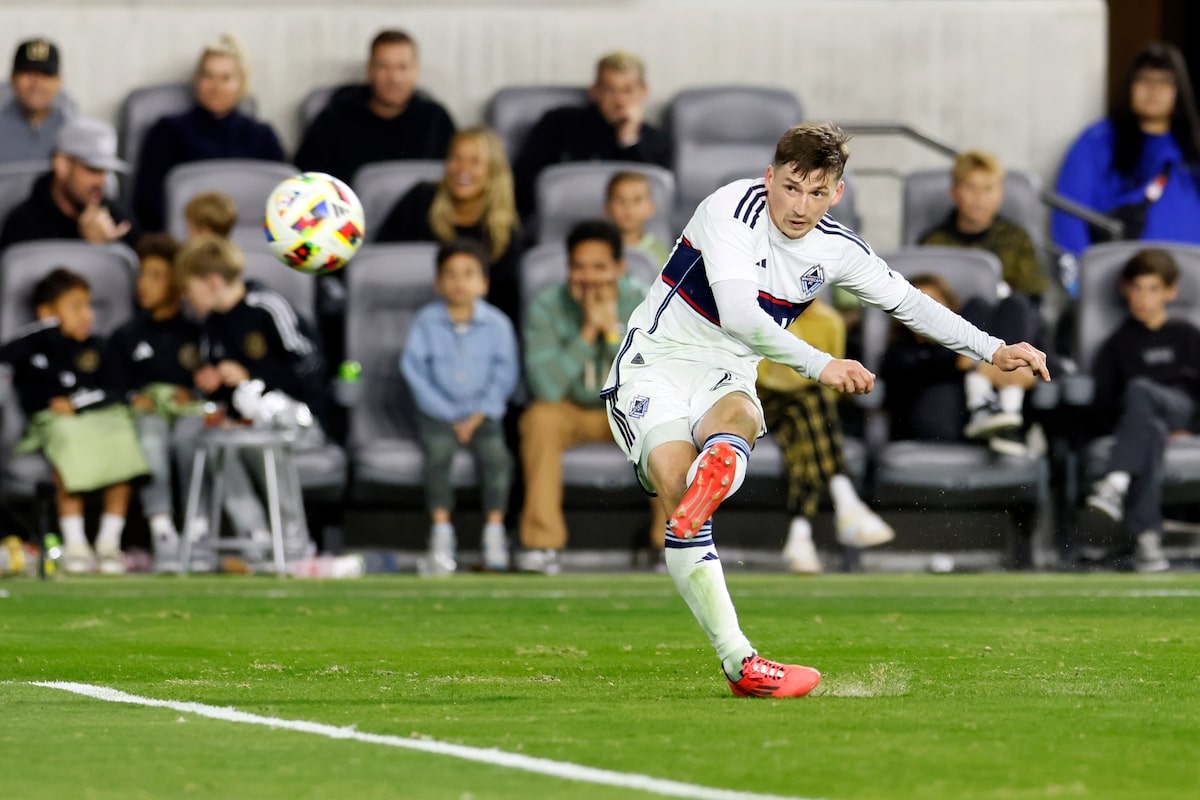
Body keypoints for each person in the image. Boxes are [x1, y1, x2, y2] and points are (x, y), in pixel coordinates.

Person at [601, 123, 1049, 697]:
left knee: (733, 421)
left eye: (817, 193)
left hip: (727, 372)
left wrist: (995, 348)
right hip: (655, 361)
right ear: (770, 178)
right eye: (790, 187)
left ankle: (719, 490)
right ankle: (739, 657)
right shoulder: (730, 210)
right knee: (677, 486)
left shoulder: (837, 248)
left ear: (836, 193)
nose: (800, 205)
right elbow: (740, 315)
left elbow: (911, 303)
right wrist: (822, 363)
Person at [519, 219, 663, 574]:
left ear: (619, 268)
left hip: (629, 411)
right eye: (579, 266)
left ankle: (672, 544)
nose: (589, 276)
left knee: (666, 419)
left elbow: (651, 380)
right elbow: (546, 389)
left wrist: (612, 333)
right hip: (574, 411)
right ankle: (542, 546)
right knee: (539, 419)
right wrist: (586, 333)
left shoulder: (644, 301)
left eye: (599, 267)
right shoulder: (547, 306)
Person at [179, 236, 328, 566]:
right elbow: (230, 394)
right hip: (249, 422)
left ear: (213, 282)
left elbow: (310, 365)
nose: (187, 298)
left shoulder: (266, 306)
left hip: (298, 418)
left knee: (265, 439)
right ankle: (255, 538)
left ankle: (293, 542)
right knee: (216, 438)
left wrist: (252, 374)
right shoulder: (211, 327)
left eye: (190, 288)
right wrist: (215, 382)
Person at [0, 269, 150, 574]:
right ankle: (76, 544)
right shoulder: (33, 345)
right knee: (67, 441)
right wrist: (47, 329)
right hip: (53, 425)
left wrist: (78, 403)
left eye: (89, 305)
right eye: (75, 306)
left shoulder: (98, 346)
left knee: (122, 436)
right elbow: (7, 354)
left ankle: (109, 543)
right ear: (46, 314)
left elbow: (116, 389)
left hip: (99, 419)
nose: (87, 314)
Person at [400, 241, 519, 575]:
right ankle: (441, 532)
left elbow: (505, 374)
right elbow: (414, 372)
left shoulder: (498, 325)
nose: (459, 282)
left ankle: (494, 530)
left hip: (483, 414)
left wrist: (479, 413)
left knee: (497, 457)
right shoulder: (425, 322)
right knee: (438, 455)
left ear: (484, 283)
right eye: (449, 275)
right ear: (438, 283)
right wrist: (449, 414)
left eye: (469, 274)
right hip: (438, 415)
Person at [756, 297, 894, 574]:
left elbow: (834, 383)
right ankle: (844, 501)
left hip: (804, 408)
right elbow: (764, 377)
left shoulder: (829, 321)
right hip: (758, 401)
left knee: (805, 417)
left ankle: (800, 534)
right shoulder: (761, 313)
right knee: (809, 403)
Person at [1083, 248, 1200, 573]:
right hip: (1140, 423)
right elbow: (1103, 403)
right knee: (1150, 429)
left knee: (1141, 389)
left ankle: (1116, 482)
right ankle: (1148, 543)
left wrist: (1192, 428)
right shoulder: (1116, 344)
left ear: (1170, 292)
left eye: (1153, 289)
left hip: (1183, 410)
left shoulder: (1188, 336)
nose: (1143, 298)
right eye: (1137, 288)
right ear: (1125, 289)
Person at [107, 234, 206, 572]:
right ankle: (162, 531)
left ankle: (198, 532)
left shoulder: (198, 333)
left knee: (190, 439)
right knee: (151, 439)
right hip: (147, 417)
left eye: (156, 275)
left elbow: (208, 380)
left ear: (178, 284)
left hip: (188, 415)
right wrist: (136, 398)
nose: (144, 285)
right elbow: (113, 386)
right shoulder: (126, 335)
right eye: (142, 275)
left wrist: (193, 394)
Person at [1053, 42, 1200, 265]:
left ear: (1179, 90)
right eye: (1144, 80)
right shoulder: (1096, 142)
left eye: (1164, 82)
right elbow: (1069, 216)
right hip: (1121, 285)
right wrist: (1082, 281)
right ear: (1129, 86)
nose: (1153, 90)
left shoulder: (1193, 146)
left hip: (1190, 283)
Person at [133, 34, 284, 233]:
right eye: (208, 76)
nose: (216, 87)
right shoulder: (167, 132)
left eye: (225, 78)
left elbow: (283, 202)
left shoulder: (263, 137)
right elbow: (148, 203)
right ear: (197, 80)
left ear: (241, 84)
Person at [376, 127, 523, 325]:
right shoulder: (419, 200)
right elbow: (379, 263)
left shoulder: (504, 232)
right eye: (456, 158)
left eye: (475, 161)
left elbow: (505, 308)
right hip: (403, 319)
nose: (463, 169)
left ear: (493, 171)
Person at [513, 51, 672, 218]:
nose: (619, 101)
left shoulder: (658, 141)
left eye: (627, 90)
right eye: (610, 90)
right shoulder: (559, 124)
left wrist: (629, 141)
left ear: (643, 91)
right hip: (566, 219)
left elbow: (657, 203)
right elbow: (523, 183)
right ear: (594, 91)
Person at [294, 29, 455, 183]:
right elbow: (305, 180)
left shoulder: (435, 120)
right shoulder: (334, 119)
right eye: (383, 67)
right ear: (369, 70)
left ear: (416, 71)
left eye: (402, 67)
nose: (394, 78)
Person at [918, 150, 1047, 300]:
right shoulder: (932, 243)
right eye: (970, 187)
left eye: (988, 188)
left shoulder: (1017, 239)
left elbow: (1033, 298)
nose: (979, 197)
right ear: (954, 192)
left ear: (1000, 194)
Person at [0, 116, 138, 251]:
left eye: (105, 171)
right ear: (62, 165)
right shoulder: (23, 225)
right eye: (92, 169)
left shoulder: (118, 218)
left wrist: (114, 246)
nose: (102, 181)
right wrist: (89, 246)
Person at [0, 38, 74, 164]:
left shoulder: (72, 129)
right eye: (28, 73)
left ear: (59, 81)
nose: (37, 83)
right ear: (12, 78)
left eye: (46, 74)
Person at [604, 170, 670, 266]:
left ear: (651, 208)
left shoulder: (658, 252)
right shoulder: (598, 247)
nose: (628, 207)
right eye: (620, 200)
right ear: (608, 207)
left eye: (637, 200)